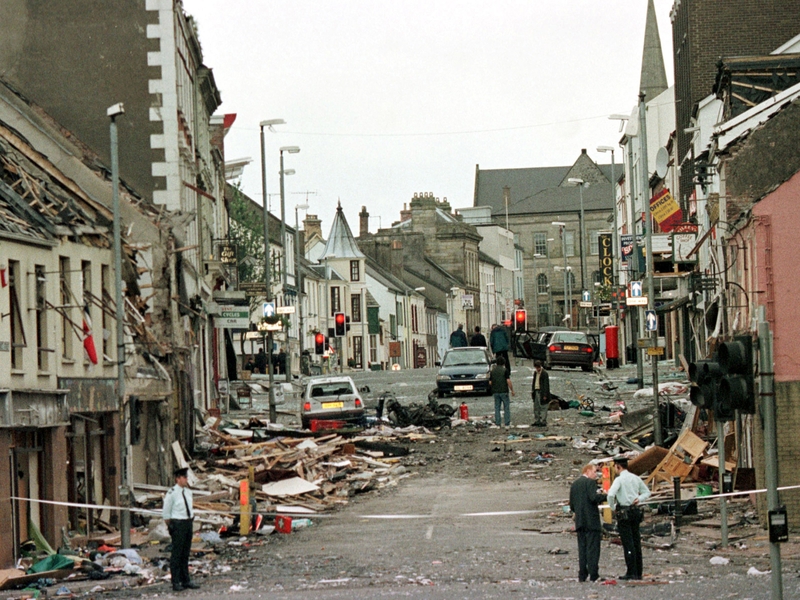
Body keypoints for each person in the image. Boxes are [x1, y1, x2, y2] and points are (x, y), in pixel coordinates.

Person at [607, 456, 651, 581]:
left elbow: (610, 494)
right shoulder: (635, 478)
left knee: (628, 543)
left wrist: (613, 507)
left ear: (617, 466)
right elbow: (647, 492)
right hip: (635, 511)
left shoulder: (619, 479)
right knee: (636, 541)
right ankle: (638, 571)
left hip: (624, 512)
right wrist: (639, 499)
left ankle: (631, 571)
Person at [163, 467, 200, 592]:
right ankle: (176, 581)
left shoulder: (188, 492)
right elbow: (166, 512)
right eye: (184, 477)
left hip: (187, 522)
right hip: (178, 524)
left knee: (185, 553)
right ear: (178, 479)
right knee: (177, 554)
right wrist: (170, 526)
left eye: (186, 477)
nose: (186, 479)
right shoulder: (172, 493)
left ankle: (186, 580)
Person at [569, 463, 607, 582]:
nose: (596, 475)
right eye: (594, 472)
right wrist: (605, 496)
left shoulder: (574, 484)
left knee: (582, 548)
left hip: (580, 521)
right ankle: (593, 574)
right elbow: (593, 497)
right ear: (587, 471)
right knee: (593, 548)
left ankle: (582, 574)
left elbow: (572, 505)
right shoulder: (590, 483)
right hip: (591, 521)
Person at [490, 356, 515, 427]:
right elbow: (508, 381)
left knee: (497, 407)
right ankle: (507, 423)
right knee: (506, 407)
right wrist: (512, 390)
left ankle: (498, 423)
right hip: (504, 391)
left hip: (496, 392)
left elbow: (490, 382)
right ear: (504, 363)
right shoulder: (505, 370)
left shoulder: (493, 371)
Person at [531, 359, 551, 427]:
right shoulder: (535, 373)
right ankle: (537, 420)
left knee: (543, 406)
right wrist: (533, 391)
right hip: (536, 391)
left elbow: (546, 385)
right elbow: (534, 382)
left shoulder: (544, 373)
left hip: (541, 392)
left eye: (538, 367)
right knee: (536, 407)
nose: (537, 369)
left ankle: (543, 421)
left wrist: (545, 394)